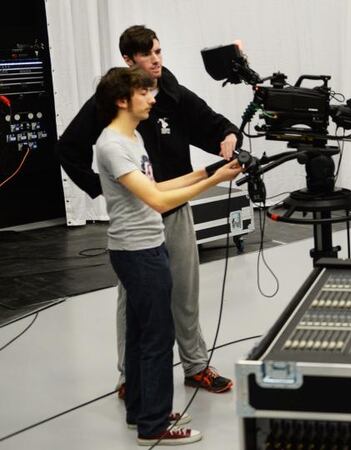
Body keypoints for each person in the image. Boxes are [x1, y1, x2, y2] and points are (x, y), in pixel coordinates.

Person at [56, 25, 238, 395]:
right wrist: (102, 188)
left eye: (159, 51)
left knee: (184, 294)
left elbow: (211, 123)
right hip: (137, 222)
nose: (156, 60)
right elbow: (68, 149)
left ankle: (195, 365)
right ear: (128, 60)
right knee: (135, 303)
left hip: (176, 210)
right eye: (147, 54)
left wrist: (228, 136)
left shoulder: (172, 93)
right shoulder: (113, 105)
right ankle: (130, 377)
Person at [94, 66, 242, 444]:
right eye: (144, 93)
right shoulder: (111, 145)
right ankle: (154, 426)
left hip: (146, 247)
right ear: (123, 100)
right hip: (137, 252)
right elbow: (158, 200)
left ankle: (141, 411)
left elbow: (158, 184)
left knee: (141, 333)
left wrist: (209, 169)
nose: (153, 99)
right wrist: (213, 182)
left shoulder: (132, 140)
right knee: (158, 339)